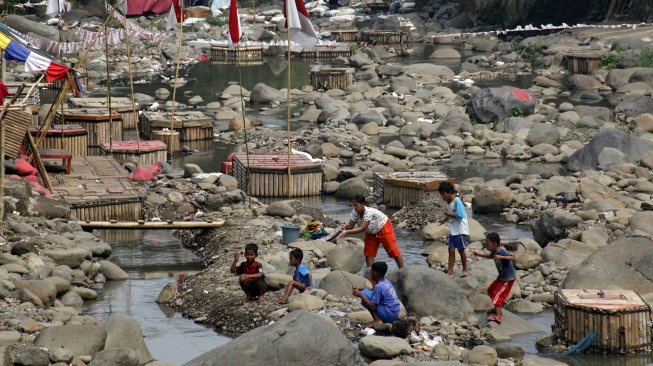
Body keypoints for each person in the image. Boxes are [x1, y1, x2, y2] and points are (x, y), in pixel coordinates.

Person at [340, 195, 405, 269]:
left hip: (383, 227)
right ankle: (370, 273)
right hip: (371, 231)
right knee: (369, 254)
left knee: (393, 250)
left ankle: (402, 270)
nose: (354, 207)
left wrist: (347, 232)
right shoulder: (354, 212)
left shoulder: (369, 212)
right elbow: (350, 226)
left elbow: (362, 228)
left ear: (363, 204)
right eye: (353, 205)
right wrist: (344, 226)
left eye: (356, 205)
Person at [473, 232, 516, 324]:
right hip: (501, 277)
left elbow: (512, 257)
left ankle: (498, 316)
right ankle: (496, 309)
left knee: (497, 295)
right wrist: (479, 254)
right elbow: (490, 256)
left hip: (508, 278)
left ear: (495, 244)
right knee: (490, 290)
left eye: (487, 243)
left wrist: (502, 257)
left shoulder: (501, 250)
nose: (486, 245)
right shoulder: (495, 251)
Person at [352, 261, 401, 328]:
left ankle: (377, 320)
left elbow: (373, 307)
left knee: (365, 294)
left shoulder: (379, 286)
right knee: (365, 291)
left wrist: (360, 294)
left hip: (389, 315)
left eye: (372, 271)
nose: (370, 274)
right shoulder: (386, 282)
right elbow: (374, 292)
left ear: (376, 273)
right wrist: (360, 290)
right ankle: (380, 319)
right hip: (395, 313)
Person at [438, 182, 469, 279]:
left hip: (460, 230)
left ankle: (465, 269)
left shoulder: (457, 201)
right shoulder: (448, 202)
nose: (442, 197)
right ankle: (450, 271)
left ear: (449, 192)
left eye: (443, 194)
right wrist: (444, 220)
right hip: (453, 230)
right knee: (451, 250)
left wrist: (448, 214)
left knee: (461, 250)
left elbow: (460, 216)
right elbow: (450, 214)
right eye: (441, 195)